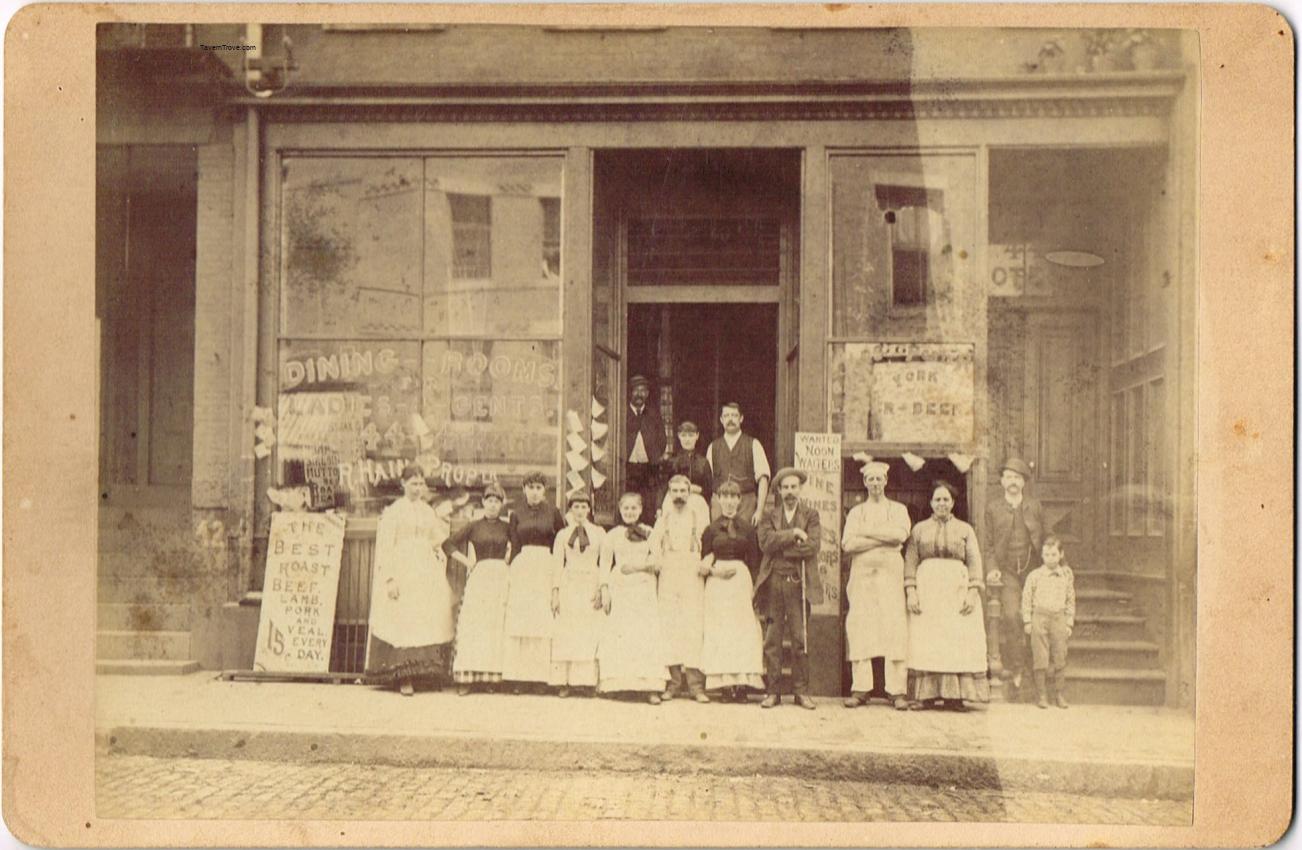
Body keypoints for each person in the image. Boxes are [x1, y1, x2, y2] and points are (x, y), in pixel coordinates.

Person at [365, 465, 455, 696]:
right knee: (404, 619)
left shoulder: (427, 511)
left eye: (420, 484)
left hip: (424, 569)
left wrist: (441, 529)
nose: (417, 488)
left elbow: (437, 538)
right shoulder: (394, 512)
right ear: (403, 484)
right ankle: (403, 677)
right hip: (403, 568)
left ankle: (423, 675)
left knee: (425, 618)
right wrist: (390, 579)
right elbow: (385, 547)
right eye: (413, 483)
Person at [903, 481, 989, 711]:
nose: (942, 503)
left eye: (946, 500)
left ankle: (955, 697)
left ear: (953, 503)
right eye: (937, 499)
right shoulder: (919, 529)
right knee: (927, 641)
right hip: (928, 589)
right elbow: (910, 560)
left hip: (956, 590)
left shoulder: (965, 530)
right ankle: (925, 696)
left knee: (955, 640)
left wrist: (972, 592)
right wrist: (911, 591)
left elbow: (974, 560)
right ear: (931, 503)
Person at [841, 461, 912, 711]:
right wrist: (882, 537)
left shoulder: (898, 509)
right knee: (861, 626)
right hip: (862, 577)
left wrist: (867, 534)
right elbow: (848, 544)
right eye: (870, 479)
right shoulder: (856, 513)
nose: (875, 484)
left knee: (893, 627)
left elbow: (899, 536)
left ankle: (897, 691)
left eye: (878, 479)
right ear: (864, 483)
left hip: (891, 577)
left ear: (885, 481)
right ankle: (861, 689)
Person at [755, 467, 821, 710]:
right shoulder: (768, 516)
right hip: (773, 583)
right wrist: (793, 533)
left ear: (800, 489)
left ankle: (801, 692)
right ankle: (773, 691)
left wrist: (782, 546)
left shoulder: (811, 515)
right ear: (779, 491)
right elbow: (765, 544)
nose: (790, 491)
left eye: (794, 487)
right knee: (772, 639)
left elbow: (812, 547)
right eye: (786, 487)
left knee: (799, 637)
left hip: (798, 583)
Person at [596, 493, 669, 704]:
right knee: (622, 633)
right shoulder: (613, 535)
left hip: (644, 589)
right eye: (626, 509)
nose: (630, 512)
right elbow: (605, 564)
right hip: (620, 589)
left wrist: (638, 567)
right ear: (620, 510)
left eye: (633, 508)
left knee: (645, 634)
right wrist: (604, 589)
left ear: (640, 509)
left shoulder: (650, 532)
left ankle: (650, 687)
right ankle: (619, 684)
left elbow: (657, 562)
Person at [982, 457, 1045, 697]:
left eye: (1017, 478)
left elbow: (1047, 536)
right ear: (1001, 481)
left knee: (1037, 618)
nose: (1013, 482)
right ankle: (1017, 667)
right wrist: (992, 568)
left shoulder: (1034, 507)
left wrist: (1058, 568)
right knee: (1011, 614)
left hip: (1033, 572)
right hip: (1006, 572)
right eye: (1008, 477)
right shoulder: (993, 508)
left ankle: (1035, 671)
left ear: (1024, 483)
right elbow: (988, 545)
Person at [698, 480, 765, 703]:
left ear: (739, 500)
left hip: (740, 582)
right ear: (718, 499)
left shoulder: (748, 528)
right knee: (721, 631)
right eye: (724, 497)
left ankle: (742, 685)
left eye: (733, 497)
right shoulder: (710, 530)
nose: (728, 502)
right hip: (717, 585)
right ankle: (725, 685)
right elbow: (704, 562)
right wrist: (715, 572)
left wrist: (755, 589)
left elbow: (755, 561)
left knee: (742, 631)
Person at [444, 483, 513, 695]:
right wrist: (467, 562)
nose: (493, 505)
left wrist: (508, 561)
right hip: (480, 577)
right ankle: (467, 679)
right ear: (483, 503)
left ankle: (490, 678)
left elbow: (517, 547)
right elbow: (448, 545)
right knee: (474, 626)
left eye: (497, 501)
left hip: (501, 577)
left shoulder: (507, 527)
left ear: (501, 504)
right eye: (489, 500)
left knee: (495, 626)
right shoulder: (474, 526)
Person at [502, 472, 566, 692]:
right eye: (531, 487)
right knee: (523, 619)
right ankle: (520, 678)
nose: (535, 492)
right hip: (523, 567)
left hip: (545, 566)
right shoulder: (516, 514)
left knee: (541, 619)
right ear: (524, 489)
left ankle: (539, 678)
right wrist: (511, 571)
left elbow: (561, 541)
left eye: (539, 487)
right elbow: (514, 542)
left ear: (545, 490)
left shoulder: (554, 512)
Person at [651, 475, 709, 702]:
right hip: (669, 574)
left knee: (693, 627)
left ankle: (696, 686)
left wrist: (706, 562)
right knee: (670, 627)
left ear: (689, 493)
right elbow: (654, 544)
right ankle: (673, 683)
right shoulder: (663, 519)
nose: (678, 495)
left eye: (682, 491)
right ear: (669, 493)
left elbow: (709, 543)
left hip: (692, 573)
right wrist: (657, 559)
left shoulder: (698, 517)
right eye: (674, 491)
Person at [548, 492, 607, 697]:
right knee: (567, 631)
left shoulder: (599, 533)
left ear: (589, 509)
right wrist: (555, 593)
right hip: (569, 583)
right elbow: (556, 564)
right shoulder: (563, 535)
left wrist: (602, 588)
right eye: (576, 507)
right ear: (570, 510)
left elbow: (605, 563)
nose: (580, 511)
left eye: (584, 507)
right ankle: (564, 682)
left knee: (588, 631)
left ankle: (586, 682)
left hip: (590, 582)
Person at [1021, 536, 1076, 709]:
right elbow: (1026, 599)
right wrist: (1028, 621)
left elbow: (1070, 600)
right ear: (1042, 556)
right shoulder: (1034, 576)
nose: (1050, 558)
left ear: (1061, 554)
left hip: (1058, 618)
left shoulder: (1066, 576)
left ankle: (1058, 694)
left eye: (1053, 554)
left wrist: (1069, 622)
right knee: (1040, 657)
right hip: (1039, 617)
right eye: (1046, 554)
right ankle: (1042, 695)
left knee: (1060, 655)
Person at [706, 402, 771, 527]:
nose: (730, 419)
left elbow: (763, 479)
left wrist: (759, 510)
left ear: (741, 418)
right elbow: (708, 481)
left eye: (734, 416)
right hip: (720, 505)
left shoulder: (753, 444)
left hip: (746, 504)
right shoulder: (713, 447)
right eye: (726, 416)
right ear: (721, 419)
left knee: (743, 540)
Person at [626, 374, 667, 525]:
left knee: (648, 504)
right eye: (636, 390)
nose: (639, 394)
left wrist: (654, 455)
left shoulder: (653, 414)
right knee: (628, 501)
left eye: (643, 391)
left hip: (648, 468)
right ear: (630, 393)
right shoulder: (622, 413)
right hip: (626, 468)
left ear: (647, 394)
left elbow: (662, 439)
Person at [665, 420, 712, 506]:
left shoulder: (703, 462)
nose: (687, 439)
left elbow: (709, 491)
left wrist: (698, 490)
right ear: (679, 436)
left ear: (697, 436)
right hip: (676, 503)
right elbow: (663, 487)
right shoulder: (671, 461)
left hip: (698, 504)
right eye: (684, 435)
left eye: (691, 435)